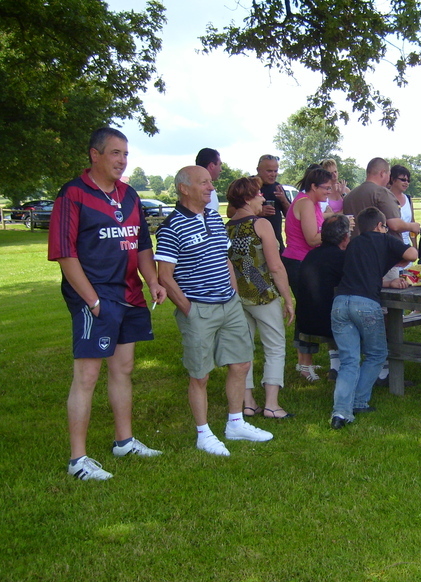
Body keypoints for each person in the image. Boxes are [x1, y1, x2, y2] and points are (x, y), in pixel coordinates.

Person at [48, 127, 166, 481]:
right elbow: (65, 255)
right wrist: (93, 301)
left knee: (123, 368)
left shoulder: (129, 195)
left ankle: (124, 441)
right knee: (87, 376)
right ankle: (78, 460)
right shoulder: (73, 194)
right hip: (95, 296)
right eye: (115, 153)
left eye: (126, 154)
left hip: (129, 294)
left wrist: (153, 280)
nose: (122, 160)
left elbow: (142, 245)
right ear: (94, 155)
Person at [155, 166, 273, 456]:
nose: (210, 187)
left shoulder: (213, 218)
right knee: (200, 374)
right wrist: (188, 309)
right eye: (204, 183)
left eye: (210, 182)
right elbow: (165, 276)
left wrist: (232, 291)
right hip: (198, 310)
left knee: (241, 363)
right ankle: (203, 433)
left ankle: (235, 423)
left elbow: (226, 258)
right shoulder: (172, 227)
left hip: (229, 304)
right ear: (184, 188)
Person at [330, 207, 418, 429]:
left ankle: (340, 412)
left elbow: (364, 275)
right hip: (366, 305)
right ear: (380, 226)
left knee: (349, 360)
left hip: (340, 303)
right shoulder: (384, 239)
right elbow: (412, 255)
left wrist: (388, 281)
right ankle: (359, 400)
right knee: (377, 353)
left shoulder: (354, 243)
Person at [225, 176, 296, 419]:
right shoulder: (261, 224)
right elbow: (275, 267)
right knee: (275, 346)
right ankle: (272, 405)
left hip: (236, 298)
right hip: (263, 295)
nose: (262, 198)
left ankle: (247, 403)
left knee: (243, 350)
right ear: (247, 198)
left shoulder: (227, 228)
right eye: (257, 194)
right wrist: (288, 298)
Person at [282, 166, 333, 382]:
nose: (329, 192)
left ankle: (306, 361)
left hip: (306, 263)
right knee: (305, 312)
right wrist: (336, 232)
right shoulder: (305, 203)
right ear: (313, 186)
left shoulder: (312, 204)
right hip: (299, 263)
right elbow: (313, 238)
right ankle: (304, 365)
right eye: (326, 188)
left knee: (308, 311)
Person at [295, 215, 352, 380]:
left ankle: (336, 366)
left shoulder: (311, 255)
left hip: (305, 323)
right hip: (326, 324)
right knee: (373, 317)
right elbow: (360, 282)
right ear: (345, 237)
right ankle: (383, 370)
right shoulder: (341, 257)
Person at [343, 157, 419, 242]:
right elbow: (394, 225)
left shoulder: (349, 196)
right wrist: (412, 226)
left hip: (355, 249)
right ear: (382, 173)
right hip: (378, 249)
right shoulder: (382, 193)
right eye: (388, 175)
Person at [256, 154, 291, 251]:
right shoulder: (248, 185)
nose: (273, 174)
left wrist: (284, 200)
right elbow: (231, 212)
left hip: (276, 242)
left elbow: (291, 215)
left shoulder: (278, 187)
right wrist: (259, 211)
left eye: (275, 171)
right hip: (255, 243)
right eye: (269, 171)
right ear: (258, 170)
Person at [387, 164, 416, 247]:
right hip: (389, 245)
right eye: (403, 180)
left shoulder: (408, 199)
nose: (406, 183)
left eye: (408, 180)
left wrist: (414, 246)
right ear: (393, 179)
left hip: (406, 245)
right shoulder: (384, 198)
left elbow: (412, 223)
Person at [196, 148, 222, 213]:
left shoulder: (191, 186)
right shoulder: (206, 190)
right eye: (220, 165)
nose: (220, 169)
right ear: (212, 166)